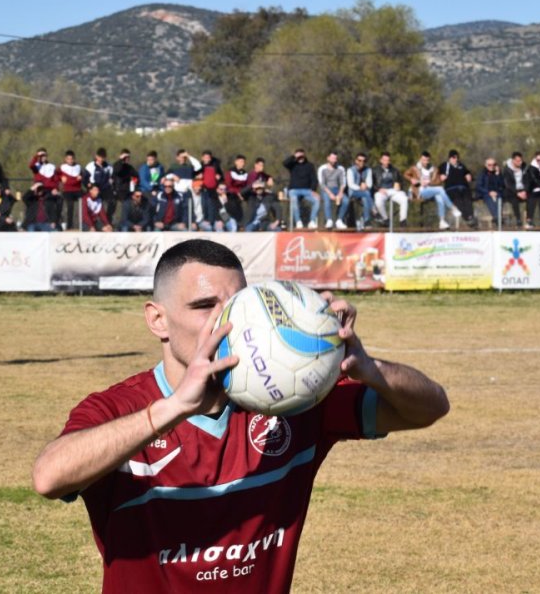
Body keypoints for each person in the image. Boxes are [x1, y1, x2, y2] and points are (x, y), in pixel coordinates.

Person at [31, 239, 448, 592]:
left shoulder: (295, 401)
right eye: (204, 305)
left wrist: (368, 368)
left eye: (236, 304)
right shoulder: (119, 409)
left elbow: (430, 407)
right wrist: (176, 408)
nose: (224, 320)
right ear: (157, 319)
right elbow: (49, 477)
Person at [404, 151, 460, 230]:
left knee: (440, 197)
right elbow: (405, 174)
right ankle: (452, 208)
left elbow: (437, 182)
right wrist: (412, 179)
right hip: (420, 191)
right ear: (420, 159)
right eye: (423, 160)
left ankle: (442, 221)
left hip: (431, 189)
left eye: (427, 160)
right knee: (440, 189)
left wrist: (439, 179)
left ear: (429, 160)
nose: (425, 162)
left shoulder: (434, 169)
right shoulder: (415, 168)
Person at [282, 148, 320, 230]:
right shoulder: (292, 164)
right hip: (294, 190)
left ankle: (312, 221)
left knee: (317, 200)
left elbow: (314, 179)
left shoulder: (310, 165)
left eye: (302, 155)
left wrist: (313, 190)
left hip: (307, 190)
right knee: (294, 200)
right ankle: (298, 221)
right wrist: (294, 156)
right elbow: (284, 163)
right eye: (299, 155)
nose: (300, 157)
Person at [438, 149, 475, 227]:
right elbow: (438, 173)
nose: (456, 159)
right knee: (458, 200)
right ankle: (467, 217)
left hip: (463, 187)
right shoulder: (445, 165)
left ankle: (471, 217)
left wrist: (469, 175)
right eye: (453, 157)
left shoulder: (461, 166)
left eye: (457, 157)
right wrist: (441, 176)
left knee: (467, 199)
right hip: (451, 188)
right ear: (450, 158)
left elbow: (467, 172)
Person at [372, 152, 408, 227]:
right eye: (384, 160)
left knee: (404, 199)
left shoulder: (394, 170)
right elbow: (371, 184)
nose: (386, 162)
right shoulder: (375, 170)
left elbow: (401, 181)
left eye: (388, 160)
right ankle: (386, 219)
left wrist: (399, 185)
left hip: (393, 191)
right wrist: (378, 189)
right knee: (378, 200)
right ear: (381, 160)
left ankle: (402, 221)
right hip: (381, 191)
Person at [317, 151, 349, 230]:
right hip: (326, 189)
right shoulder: (322, 169)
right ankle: (329, 220)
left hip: (337, 188)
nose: (334, 160)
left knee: (346, 200)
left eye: (335, 158)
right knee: (327, 200)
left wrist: (341, 192)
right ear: (328, 158)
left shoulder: (340, 168)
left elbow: (343, 182)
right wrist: (330, 194)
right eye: (332, 158)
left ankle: (339, 220)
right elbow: (322, 183)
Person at [85, 148, 117, 224]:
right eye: (100, 157)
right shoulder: (90, 166)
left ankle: (108, 219)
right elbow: (85, 178)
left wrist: (112, 180)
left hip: (106, 188)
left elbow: (113, 177)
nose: (101, 159)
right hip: (95, 189)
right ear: (96, 156)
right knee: (96, 204)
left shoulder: (108, 167)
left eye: (103, 157)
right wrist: (88, 185)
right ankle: (94, 221)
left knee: (112, 201)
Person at [346, 153, 374, 230]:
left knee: (365, 197)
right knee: (367, 193)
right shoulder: (350, 170)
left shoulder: (368, 170)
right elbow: (351, 184)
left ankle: (366, 221)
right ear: (356, 161)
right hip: (353, 192)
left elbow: (370, 184)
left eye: (364, 161)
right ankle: (374, 210)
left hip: (364, 193)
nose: (362, 162)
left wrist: (366, 186)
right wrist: (360, 187)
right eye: (359, 160)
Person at [502, 152, 528, 228]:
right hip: (512, 190)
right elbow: (508, 184)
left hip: (522, 189)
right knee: (514, 199)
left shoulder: (524, 167)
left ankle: (529, 219)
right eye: (517, 161)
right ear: (513, 160)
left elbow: (527, 180)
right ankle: (518, 219)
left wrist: (525, 191)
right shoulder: (507, 169)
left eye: (520, 160)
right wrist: (517, 193)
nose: (519, 162)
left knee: (532, 198)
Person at [59, 150, 84, 230]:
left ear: (74, 159)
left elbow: (83, 176)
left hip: (77, 190)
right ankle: (69, 226)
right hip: (67, 190)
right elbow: (59, 178)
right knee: (70, 205)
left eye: (71, 159)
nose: (70, 161)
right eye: (68, 159)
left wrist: (78, 179)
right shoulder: (62, 168)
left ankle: (85, 224)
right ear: (65, 159)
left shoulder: (78, 167)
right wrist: (62, 178)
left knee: (87, 199)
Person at [476, 157, 503, 223]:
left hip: (496, 193)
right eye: (489, 165)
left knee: (499, 198)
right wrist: (489, 192)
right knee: (489, 198)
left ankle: (497, 218)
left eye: (493, 165)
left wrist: (498, 174)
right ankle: (497, 217)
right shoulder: (482, 174)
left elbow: (501, 185)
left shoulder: (497, 174)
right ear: (486, 165)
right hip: (485, 193)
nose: (492, 166)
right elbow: (479, 186)